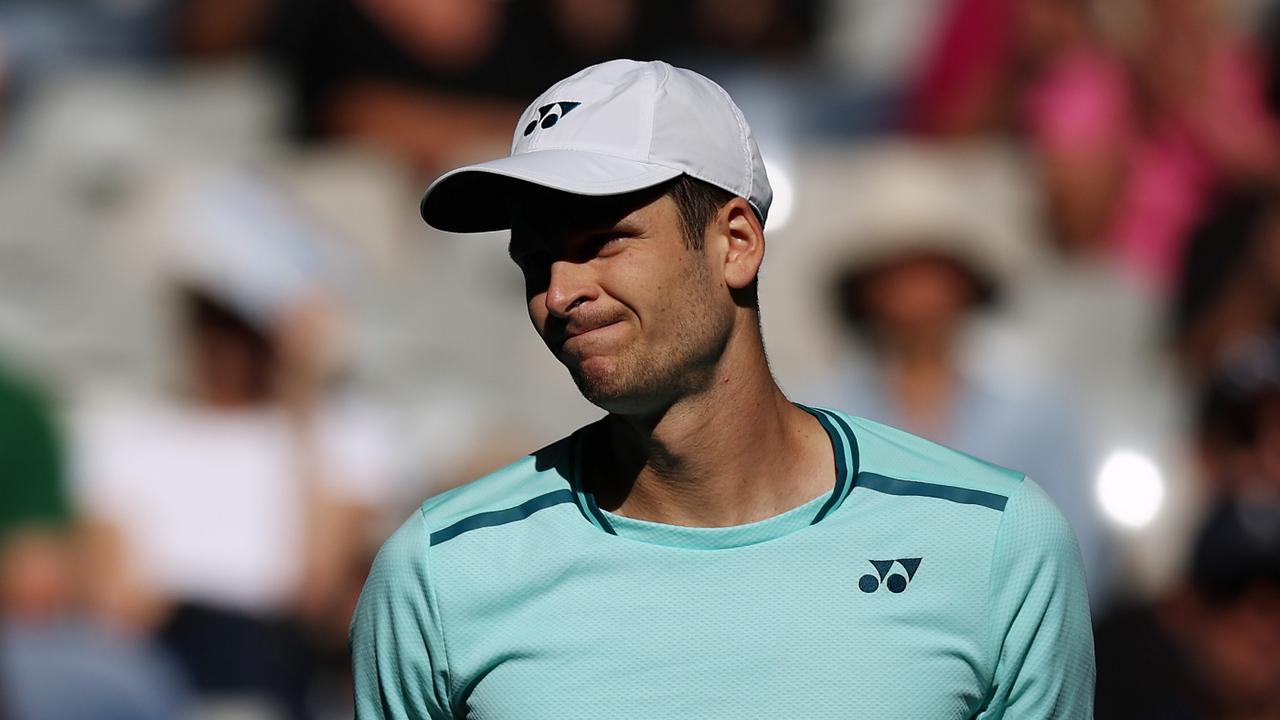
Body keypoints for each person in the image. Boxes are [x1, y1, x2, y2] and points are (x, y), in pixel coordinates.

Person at [351, 59, 1094, 718]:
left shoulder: (997, 543)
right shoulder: (436, 574)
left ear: (735, 242)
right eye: (536, 260)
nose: (559, 292)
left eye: (601, 241)